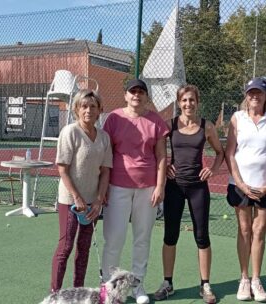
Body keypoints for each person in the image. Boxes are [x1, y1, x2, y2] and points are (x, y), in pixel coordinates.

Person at [153, 85, 224, 304]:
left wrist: (212, 169)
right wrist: (164, 167)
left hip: (198, 188)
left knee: (202, 237)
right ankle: (167, 283)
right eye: (184, 100)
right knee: (170, 236)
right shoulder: (169, 125)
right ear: (179, 102)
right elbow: (156, 150)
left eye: (192, 100)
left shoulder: (207, 126)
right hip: (174, 187)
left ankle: (205, 284)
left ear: (197, 102)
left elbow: (220, 152)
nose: (188, 104)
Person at [101, 79, 169, 304]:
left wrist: (160, 186)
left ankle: (137, 285)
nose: (136, 95)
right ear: (125, 95)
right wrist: (103, 187)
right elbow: (106, 154)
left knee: (142, 238)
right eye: (133, 92)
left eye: (141, 92)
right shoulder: (114, 118)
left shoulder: (155, 120)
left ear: (146, 97)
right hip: (117, 187)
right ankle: (110, 288)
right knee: (114, 239)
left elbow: (161, 156)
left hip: (147, 188)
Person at [225, 77, 266, 302]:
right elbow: (230, 152)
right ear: (246, 96)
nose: (254, 96)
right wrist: (240, 184)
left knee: (259, 231)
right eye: (251, 93)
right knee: (244, 230)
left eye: (259, 92)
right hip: (240, 186)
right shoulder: (237, 119)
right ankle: (244, 279)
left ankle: (257, 279)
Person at [50, 89, 112, 293]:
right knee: (66, 247)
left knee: (84, 249)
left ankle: (78, 292)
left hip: (92, 204)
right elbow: (62, 169)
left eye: (93, 106)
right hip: (71, 201)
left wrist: (99, 199)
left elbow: (105, 172)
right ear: (76, 109)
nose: (88, 110)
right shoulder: (70, 132)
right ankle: (55, 293)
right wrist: (77, 197)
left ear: (99, 110)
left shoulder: (103, 137)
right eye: (84, 106)